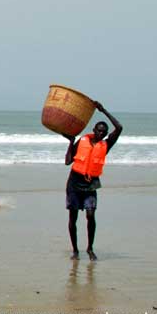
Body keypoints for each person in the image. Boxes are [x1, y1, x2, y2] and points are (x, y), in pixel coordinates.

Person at [63, 101, 123, 261]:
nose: (101, 134)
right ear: (94, 130)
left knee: (91, 215)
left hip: (91, 184)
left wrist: (103, 110)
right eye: (99, 131)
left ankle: (90, 248)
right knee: (73, 218)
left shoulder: (106, 144)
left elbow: (120, 128)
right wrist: (70, 142)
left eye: (104, 132)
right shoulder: (82, 141)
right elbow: (68, 161)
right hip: (74, 183)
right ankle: (75, 250)